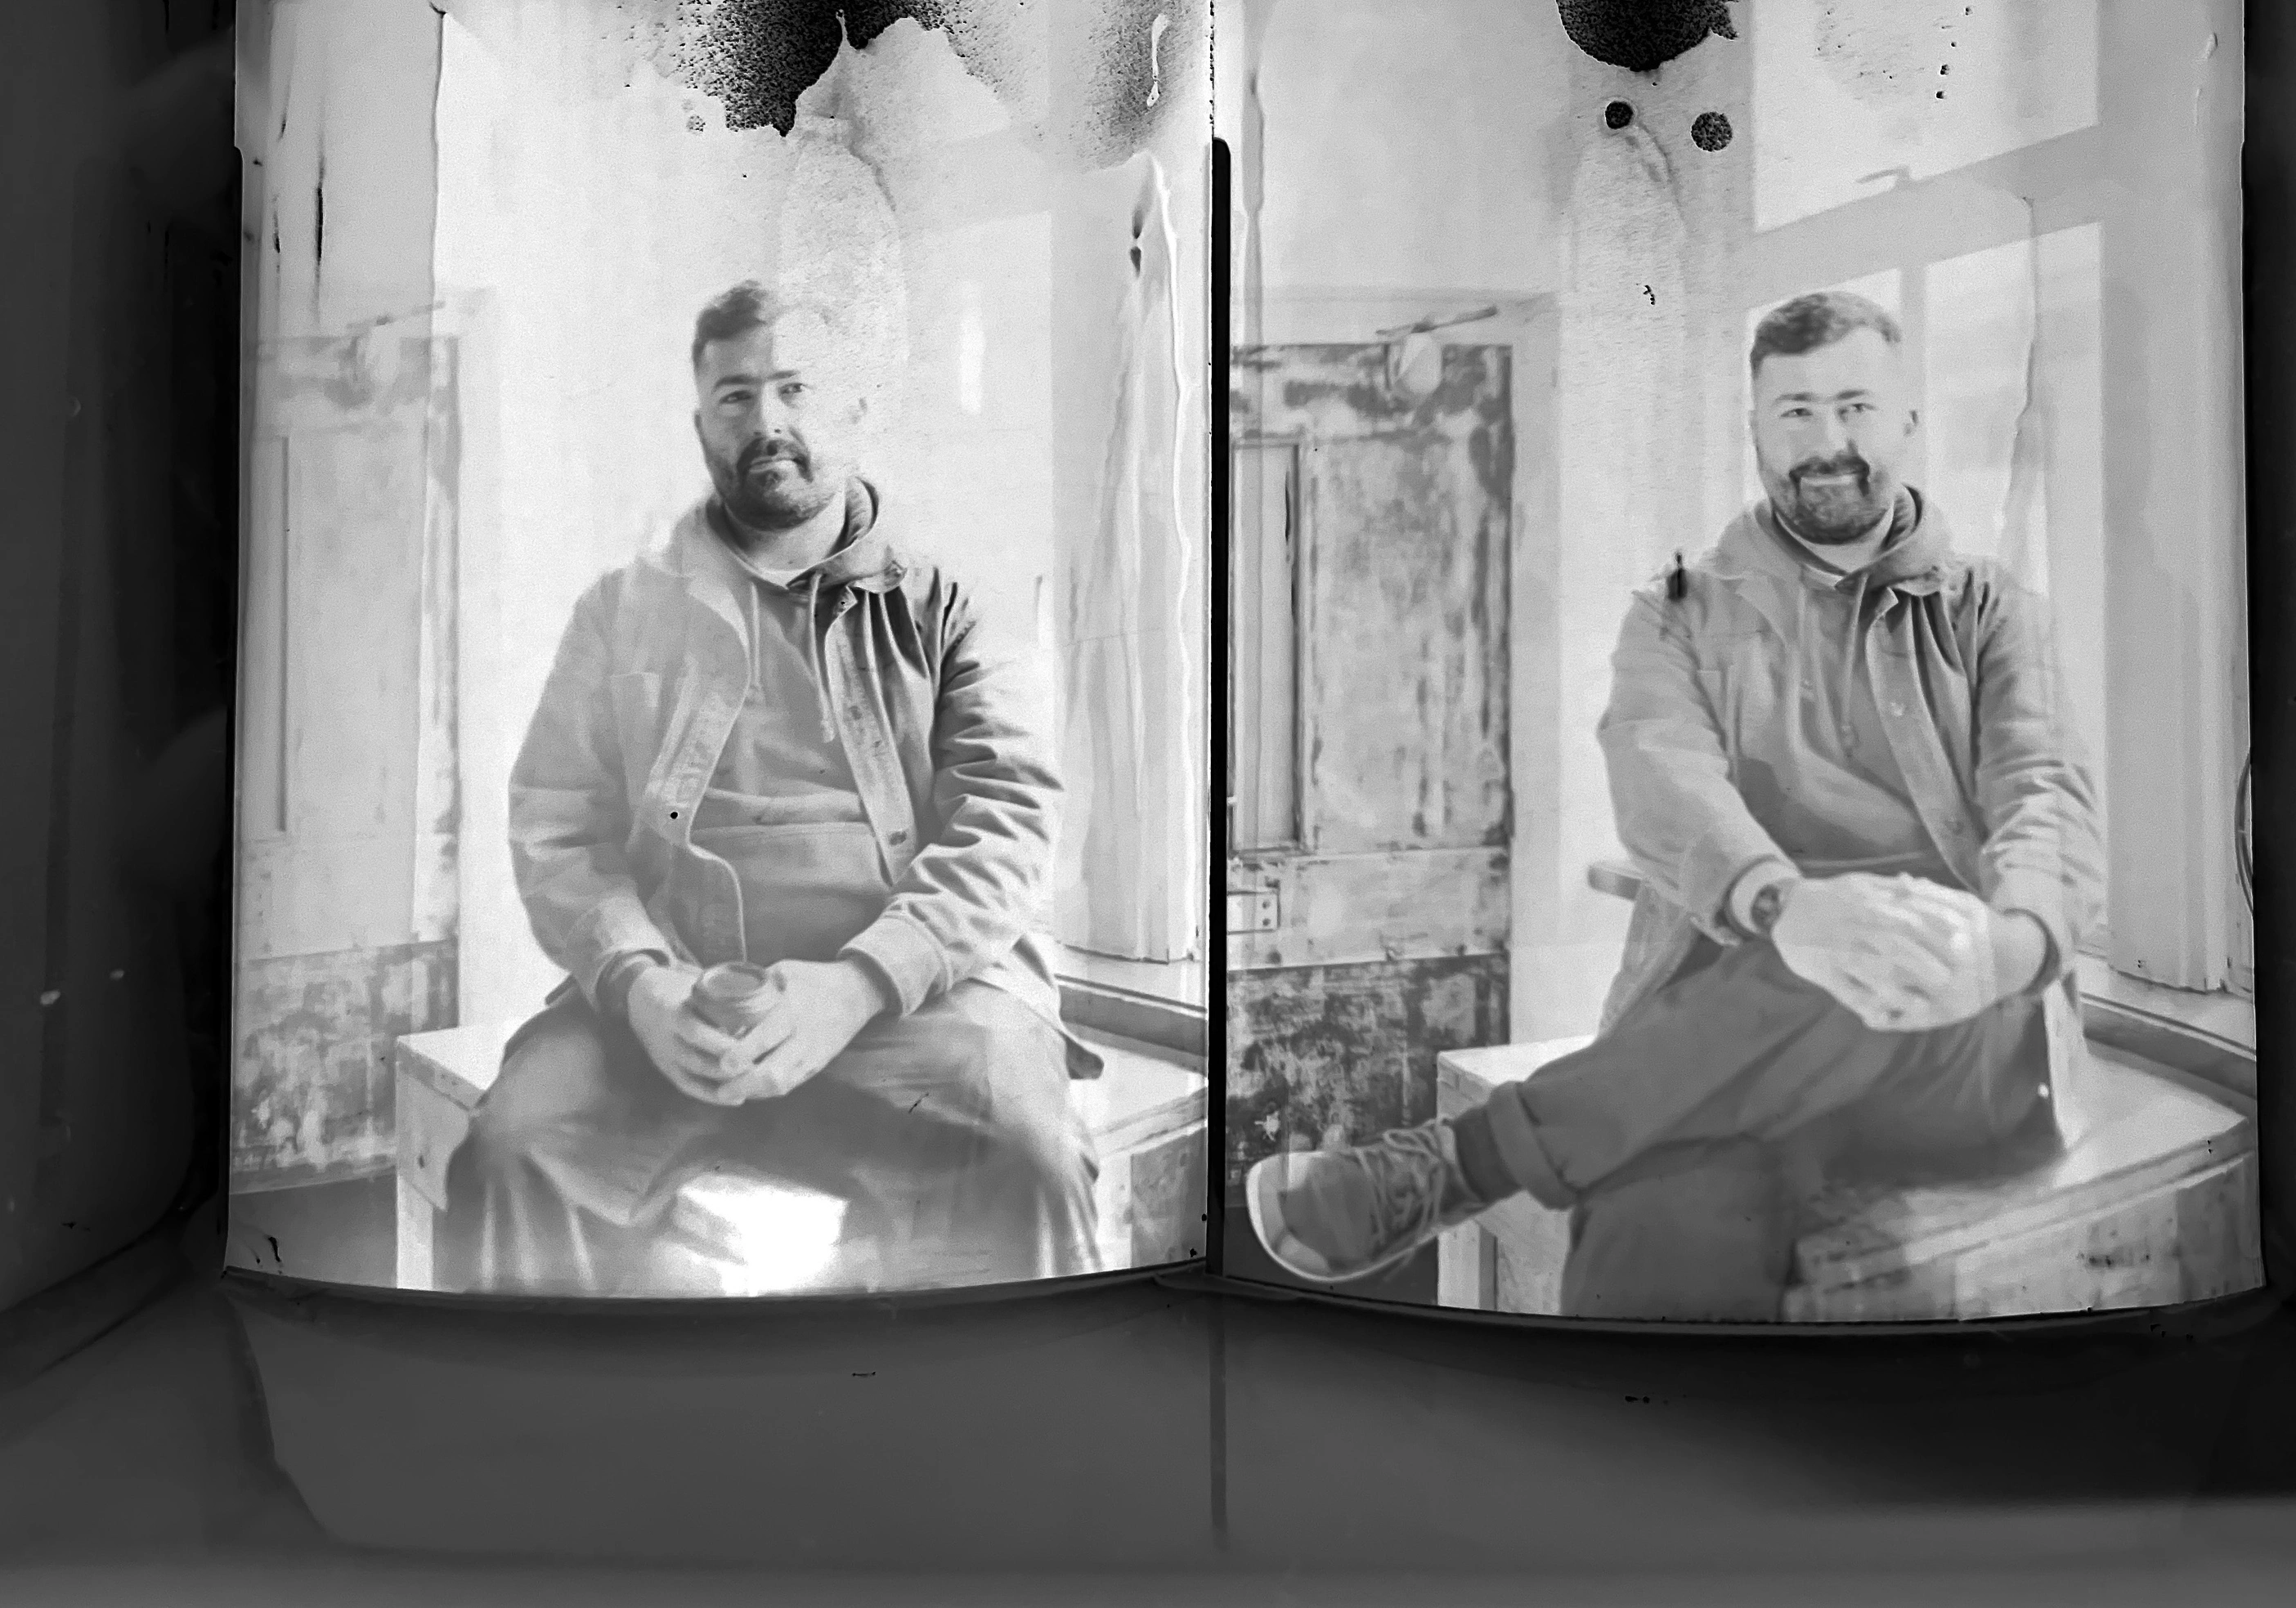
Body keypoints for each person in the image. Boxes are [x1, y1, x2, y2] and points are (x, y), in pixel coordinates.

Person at [1247, 289, 2105, 1319]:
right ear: (1753, 433)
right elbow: (1660, 774)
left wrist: (2005, 950)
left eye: (1856, 407)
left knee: (1860, 948)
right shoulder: (1677, 614)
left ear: (1908, 423)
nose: (1828, 440)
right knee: (1653, 1228)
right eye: (1794, 413)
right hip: (1732, 1058)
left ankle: (1457, 1163)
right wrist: (1793, 911)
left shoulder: (1998, 613)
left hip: (1962, 1035)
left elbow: (2042, 791)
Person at [438, 280, 1103, 1297]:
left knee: (1030, 1157)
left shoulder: (956, 601)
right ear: (700, 422)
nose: (770, 422)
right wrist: (640, 984)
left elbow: (1005, 824)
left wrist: (858, 986)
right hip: (679, 1000)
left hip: (914, 1007)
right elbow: (557, 828)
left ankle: (1018, 1446)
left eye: (797, 388)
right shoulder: (619, 610)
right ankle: (539, 1444)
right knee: (513, 1149)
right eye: (736, 397)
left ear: (860, 406)